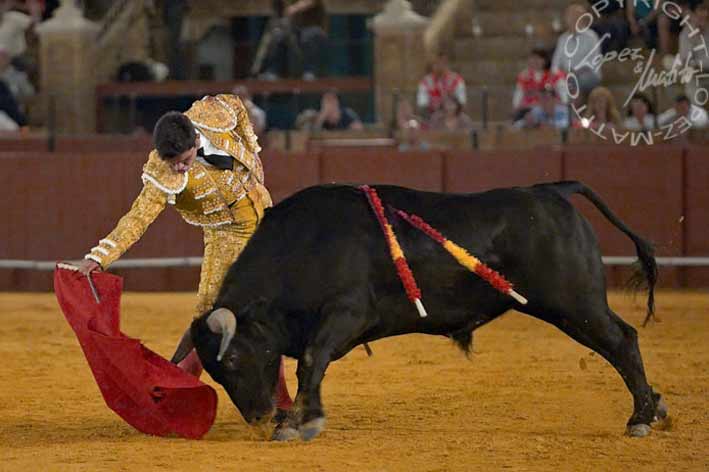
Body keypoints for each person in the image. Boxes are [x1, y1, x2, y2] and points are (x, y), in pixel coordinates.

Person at [74, 94, 293, 412]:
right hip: (227, 236)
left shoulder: (212, 112)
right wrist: (99, 256)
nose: (178, 167)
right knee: (209, 320)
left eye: (184, 160)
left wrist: (253, 150)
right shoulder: (162, 171)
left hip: (267, 222)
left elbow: (236, 104)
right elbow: (138, 217)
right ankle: (173, 389)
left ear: (195, 138)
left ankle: (276, 398)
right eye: (172, 161)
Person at [253, 0, 328, 80]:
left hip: (314, 31)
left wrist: (294, 8)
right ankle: (274, 71)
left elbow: (310, 2)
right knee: (278, 35)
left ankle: (311, 72)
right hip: (294, 32)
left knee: (310, 34)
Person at [552, 4, 602, 103]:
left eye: (576, 16)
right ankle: (564, 109)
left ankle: (573, 113)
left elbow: (593, 63)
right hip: (566, 75)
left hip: (588, 74)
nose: (573, 20)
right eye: (570, 17)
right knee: (556, 83)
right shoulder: (562, 39)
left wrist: (573, 72)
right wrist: (559, 73)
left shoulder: (591, 36)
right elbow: (555, 65)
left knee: (574, 83)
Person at [513, 47, 566, 121]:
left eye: (538, 59)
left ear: (545, 60)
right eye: (532, 59)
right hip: (530, 109)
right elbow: (518, 96)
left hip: (552, 109)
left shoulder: (555, 74)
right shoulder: (524, 76)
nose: (534, 61)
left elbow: (564, 96)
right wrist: (517, 107)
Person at [416, 52, 466, 118]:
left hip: (453, 118)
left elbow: (462, 103)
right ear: (432, 66)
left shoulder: (457, 80)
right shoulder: (425, 82)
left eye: (443, 63)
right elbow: (422, 105)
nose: (440, 66)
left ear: (447, 65)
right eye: (436, 64)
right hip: (432, 118)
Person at [678, 2, 709, 105]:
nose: (705, 14)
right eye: (701, 10)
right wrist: (695, 37)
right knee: (691, 87)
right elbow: (686, 60)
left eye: (706, 10)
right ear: (693, 14)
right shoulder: (685, 34)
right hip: (696, 76)